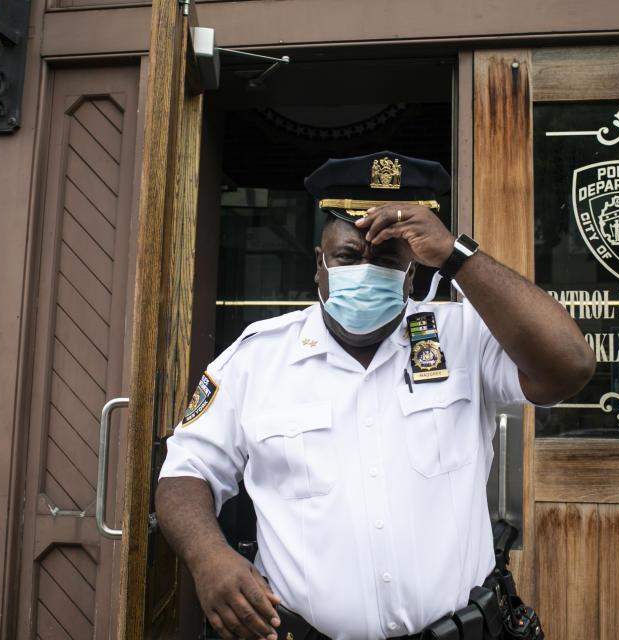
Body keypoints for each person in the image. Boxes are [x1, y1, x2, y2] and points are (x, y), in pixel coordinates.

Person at [155, 151, 595, 640]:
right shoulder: (258, 358)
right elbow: (184, 473)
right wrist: (208, 558)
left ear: (411, 276)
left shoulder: (463, 336)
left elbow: (570, 367)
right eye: (347, 257)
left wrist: (455, 255)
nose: (364, 270)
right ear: (319, 266)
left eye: (386, 259)